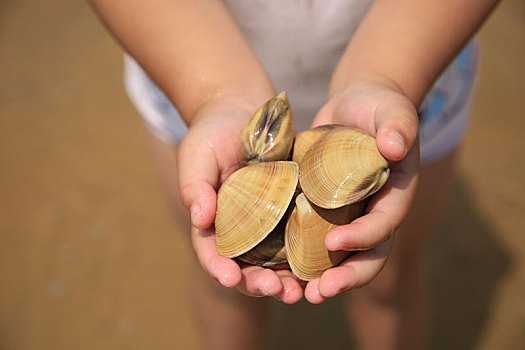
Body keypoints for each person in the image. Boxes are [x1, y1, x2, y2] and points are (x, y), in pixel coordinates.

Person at [88, 1, 499, 348]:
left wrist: (386, 75)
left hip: (415, 63)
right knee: (224, 279)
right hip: (187, 71)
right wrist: (214, 93)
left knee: (391, 275)